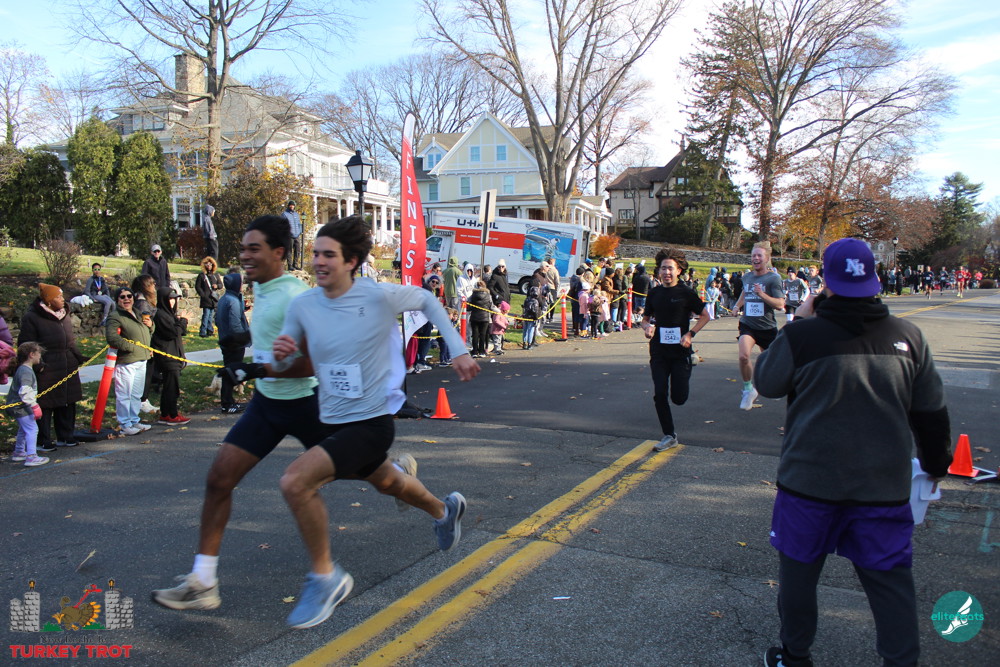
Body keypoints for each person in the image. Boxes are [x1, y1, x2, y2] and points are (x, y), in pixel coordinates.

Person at [270, 214, 479, 629]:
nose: (318, 261)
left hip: (372, 422)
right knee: (388, 483)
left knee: (295, 482)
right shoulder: (304, 305)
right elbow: (286, 359)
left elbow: (428, 301)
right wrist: (280, 355)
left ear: (351, 261)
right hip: (332, 419)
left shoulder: (379, 295)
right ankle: (444, 511)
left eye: (329, 255)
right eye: (315, 253)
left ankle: (326, 578)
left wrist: (457, 348)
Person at [755, 238, 952, 667]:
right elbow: (931, 412)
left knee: (799, 574)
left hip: (809, 482)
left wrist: (797, 318)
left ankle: (795, 655)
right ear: (875, 280)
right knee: (890, 581)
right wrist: (936, 464)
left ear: (826, 281)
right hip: (882, 485)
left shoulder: (803, 336)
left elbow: (766, 382)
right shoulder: (907, 337)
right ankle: (901, 660)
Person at [152, 214, 333, 613]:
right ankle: (203, 581)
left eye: (254, 249)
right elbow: (271, 336)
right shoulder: (262, 288)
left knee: (363, 469)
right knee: (219, 478)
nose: (244, 256)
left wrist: (254, 369)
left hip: (305, 402)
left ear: (279, 253)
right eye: (242, 248)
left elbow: (313, 361)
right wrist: (244, 343)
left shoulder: (296, 296)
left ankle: (394, 472)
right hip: (268, 404)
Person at [640, 247, 710, 452]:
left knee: (679, 398)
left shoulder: (686, 293)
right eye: (663, 268)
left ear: (678, 270)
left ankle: (690, 362)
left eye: (670, 268)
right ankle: (669, 435)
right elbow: (645, 319)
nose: (666, 272)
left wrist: (690, 334)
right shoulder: (654, 293)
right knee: (660, 392)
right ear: (659, 271)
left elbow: (705, 316)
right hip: (659, 351)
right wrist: (647, 327)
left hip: (680, 352)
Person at [17, 284, 86, 451]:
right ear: (48, 301)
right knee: (46, 403)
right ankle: (43, 440)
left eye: (62, 296)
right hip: (47, 365)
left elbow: (70, 340)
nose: (63, 300)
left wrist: (78, 357)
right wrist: (38, 366)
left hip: (67, 364)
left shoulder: (64, 314)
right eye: (58, 297)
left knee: (68, 401)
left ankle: (66, 435)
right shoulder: (32, 317)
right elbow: (26, 344)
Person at [733, 244, 785, 411]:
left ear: (767, 259)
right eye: (753, 255)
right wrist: (737, 306)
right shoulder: (747, 277)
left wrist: (762, 294)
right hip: (748, 324)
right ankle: (748, 389)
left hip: (767, 327)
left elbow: (780, 304)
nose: (755, 258)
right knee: (743, 356)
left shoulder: (773, 279)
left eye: (759, 256)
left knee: (771, 364)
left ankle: (775, 386)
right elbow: (745, 292)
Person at [105, 286, 154, 436]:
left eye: (129, 296)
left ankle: (134, 419)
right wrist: (131, 347)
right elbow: (112, 337)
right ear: (117, 300)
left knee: (136, 394)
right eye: (122, 297)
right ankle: (125, 423)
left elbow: (146, 331)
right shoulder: (115, 316)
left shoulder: (138, 313)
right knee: (124, 394)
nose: (126, 299)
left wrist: (151, 326)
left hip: (142, 358)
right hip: (127, 361)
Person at [152, 287, 192, 426]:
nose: (173, 301)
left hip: (175, 353)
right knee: (171, 387)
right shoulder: (160, 315)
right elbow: (173, 332)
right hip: (167, 355)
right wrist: (183, 321)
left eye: (174, 299)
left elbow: (181, 331)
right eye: (170, 299)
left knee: (170, 386)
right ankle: (172, 414)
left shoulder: (170, 315)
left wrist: (181, 322)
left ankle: (166, 414)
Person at [5, 341, 49, 467]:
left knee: (24, 429)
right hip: (21, 407)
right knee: (32, 429)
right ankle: (31, 457)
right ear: (31, 354)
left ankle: (19, 452)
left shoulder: (23, 369)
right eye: (38, 353)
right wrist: (34, 406)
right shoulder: (26, 371)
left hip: (16, 406)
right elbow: (25, 391)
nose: (40, 356)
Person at [215, 271, 250, 414]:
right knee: (230, 373)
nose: (242, 285)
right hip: (234, 343)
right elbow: (235, 325)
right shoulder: (233, 301)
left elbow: (217, 320)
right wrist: (244, 337)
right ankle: (227, 403)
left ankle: (228, 401)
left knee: (229, 371)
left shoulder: (224, 299)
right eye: (240, 282)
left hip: (226, 340)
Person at [132, 275, 160, 415]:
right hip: (146, 343)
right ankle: (142, 400)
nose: (154, 286)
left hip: (149, 341)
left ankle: (143, 399)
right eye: (152, 283)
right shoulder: (142, 303)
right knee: (145, 373)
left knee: (148, 372)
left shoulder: (144, 301)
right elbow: (144, 326)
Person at [195, 256, 224, 337]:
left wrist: (217, 286)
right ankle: (203, 332)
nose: (209, 266)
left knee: (211, 316)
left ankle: (210, 330)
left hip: (213, 299)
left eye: (210, 264)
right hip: (206, 299)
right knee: (206, 315)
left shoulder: (216, 275)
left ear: (213, 265)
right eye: (207, 264)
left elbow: (221, 285)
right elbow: (198, 286)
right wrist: (203, 295)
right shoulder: (202, 275)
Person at [467, 279, 493, 358]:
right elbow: (491, 306)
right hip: (485, 317)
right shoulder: (488, 295)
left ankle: (474, 351)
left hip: (474, 317)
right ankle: (482, 351)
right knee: (483, 334)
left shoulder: (473, 295)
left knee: (475, 334)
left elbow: (468, 306)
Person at [282, 200, 303, 271]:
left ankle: (295, 265)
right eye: (290, 205)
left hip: (297, 235)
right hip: (289, 235)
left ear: (294, 206)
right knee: (289, 251)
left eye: (293, 205)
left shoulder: (296, 214)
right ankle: (290, 266)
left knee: (298, 250)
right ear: (288, 206)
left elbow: (299, 224)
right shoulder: (284, 214)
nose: (292, 206)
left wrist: (300, 231)